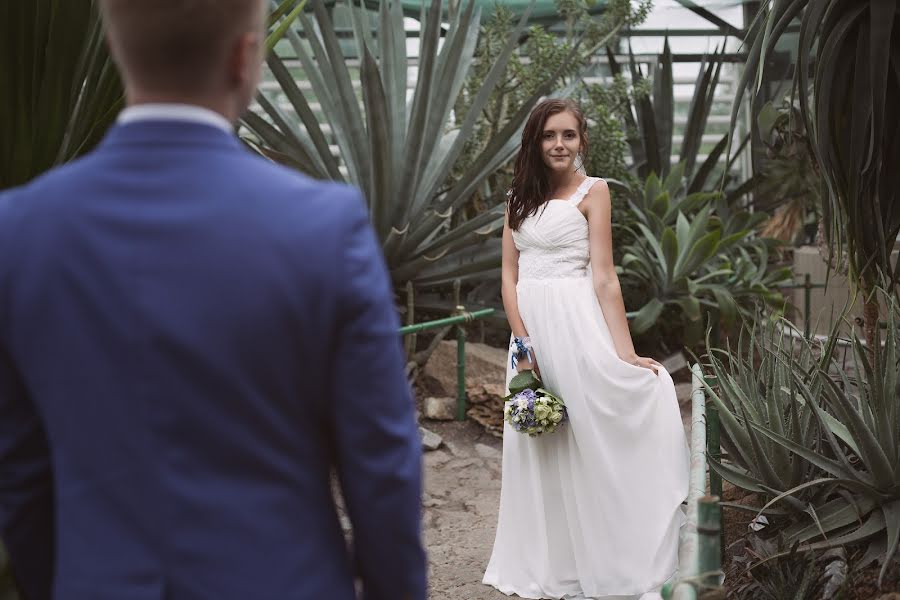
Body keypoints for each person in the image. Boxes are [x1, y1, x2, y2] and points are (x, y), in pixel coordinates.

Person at [0, 1, 425, 599]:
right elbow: (381, 468)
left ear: (115, 44)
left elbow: (20, 473)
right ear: (244, 55)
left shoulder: (20, 231)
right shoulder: (324, 229)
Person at [483, 98, 689, 600]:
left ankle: (621, 550)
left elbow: (604, 276)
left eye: (568, 135)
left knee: (595, 430)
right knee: (543, 439)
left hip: (577, 324)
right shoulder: (517, 198)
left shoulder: (595, 192)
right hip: (531, 333)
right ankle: (552, 562)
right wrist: (523, 344)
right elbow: (509, 278)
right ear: (535, 141)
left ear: (582, 140)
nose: (559, 144)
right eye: (549, 135)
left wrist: (625, 352)